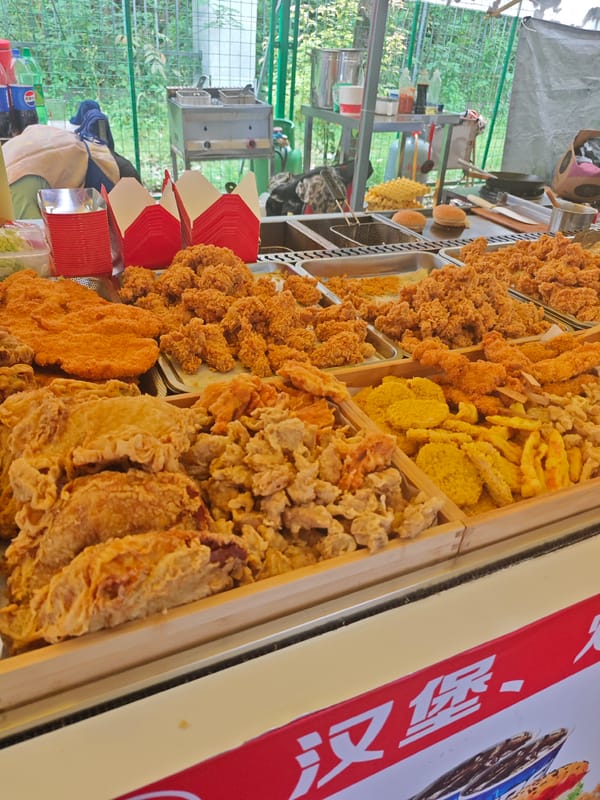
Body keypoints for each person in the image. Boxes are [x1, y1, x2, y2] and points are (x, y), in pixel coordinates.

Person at [1, 113, 141, 219]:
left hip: (97, 165)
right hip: (82, 154)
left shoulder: (15, 190)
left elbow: (33, 243)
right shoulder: (15, 187)